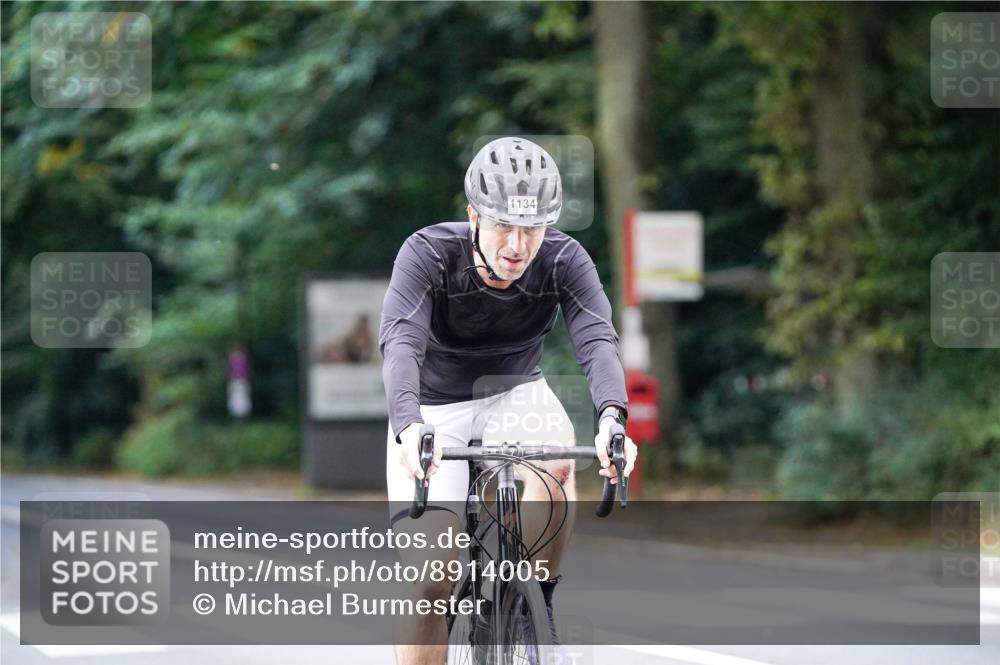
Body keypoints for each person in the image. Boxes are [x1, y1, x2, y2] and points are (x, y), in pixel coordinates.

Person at [379, 136, 637, 665]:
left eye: (533, 228)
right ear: (473, 217)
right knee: (429, 582)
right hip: (432, 407)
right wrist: (408, 426)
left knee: (557, 464)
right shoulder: (428, 254)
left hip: (515, 391)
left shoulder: (564, 259)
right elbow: (401, 342)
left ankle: (534, 611)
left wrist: (613, 419)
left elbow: (597, 338)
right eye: (503, 225)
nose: (518, 245)